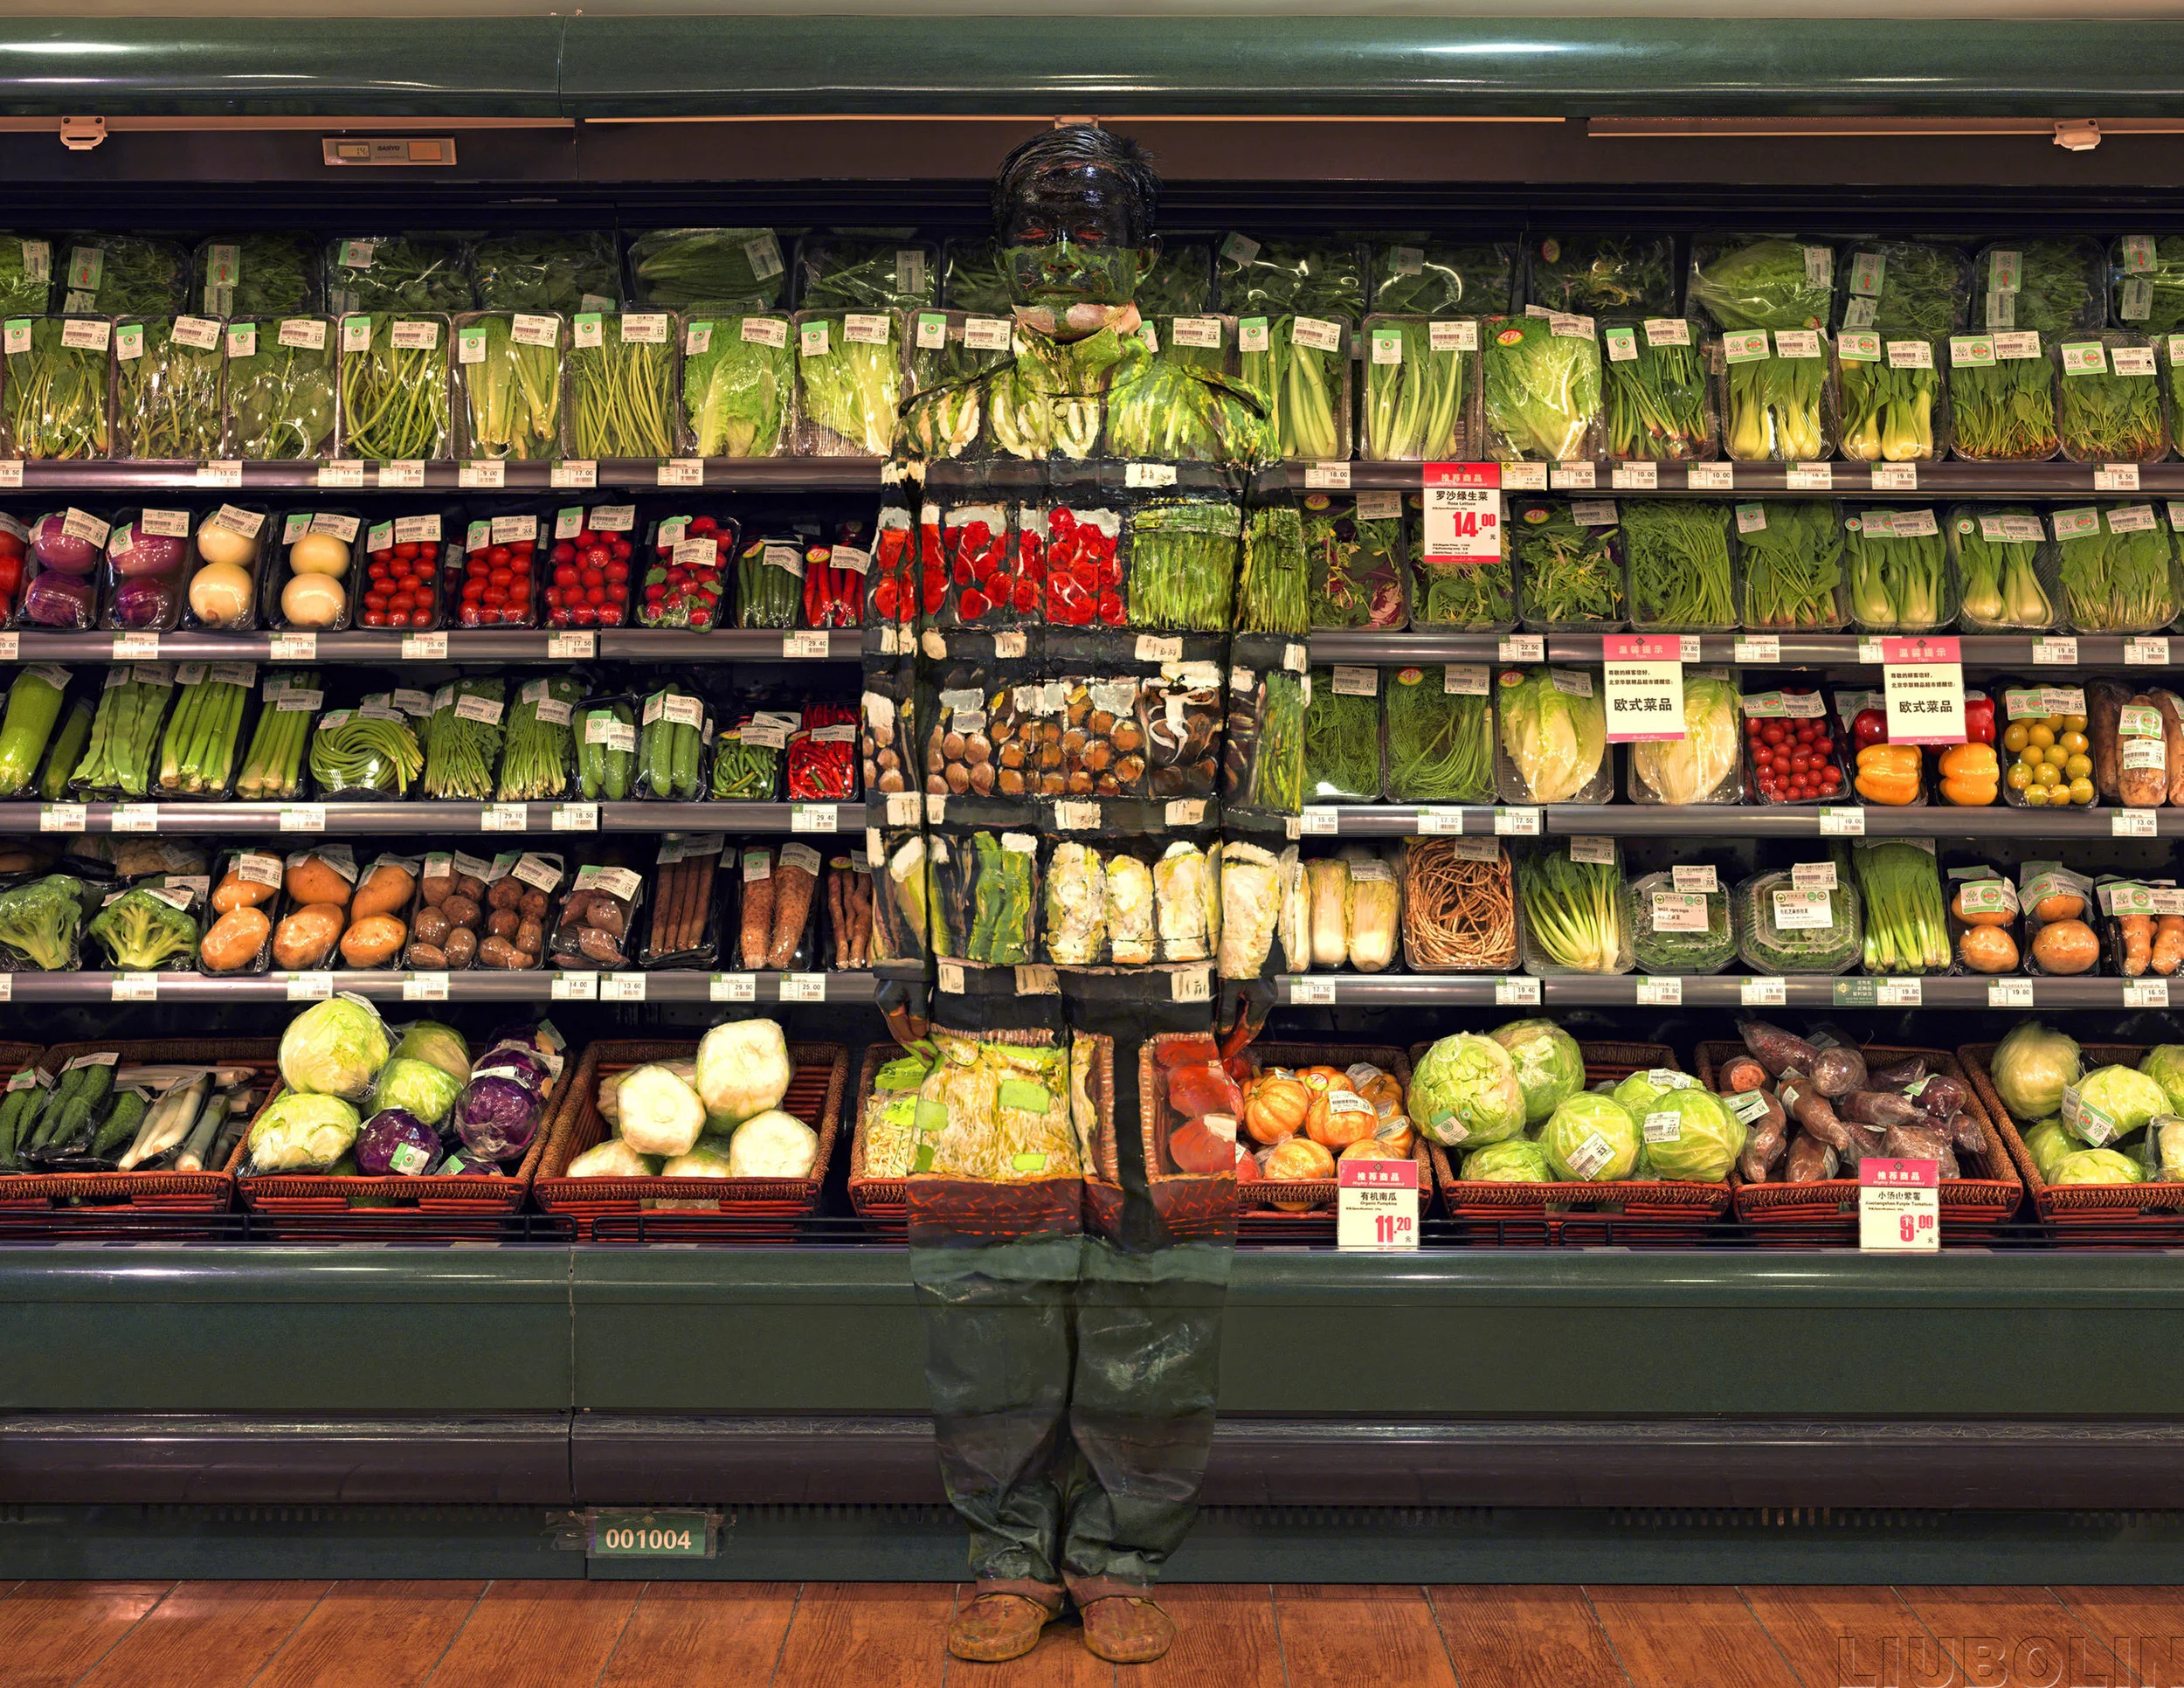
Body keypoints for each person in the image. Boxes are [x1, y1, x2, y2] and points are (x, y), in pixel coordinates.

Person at [865, 123, 1305, 1666]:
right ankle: (1001, 1551)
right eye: (1040, 238)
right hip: (983, 913)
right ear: (1003, 257)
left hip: (1168, 917)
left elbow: (1278, 678)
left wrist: (1259, 894)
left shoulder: (1227, 427)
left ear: (1140, 257)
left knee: (1160, 1253)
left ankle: (1122, 1553)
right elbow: (893, 680)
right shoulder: (939, 427)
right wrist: (895, 916)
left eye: (1093, 237)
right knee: (983, 1256)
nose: (1064, 264)